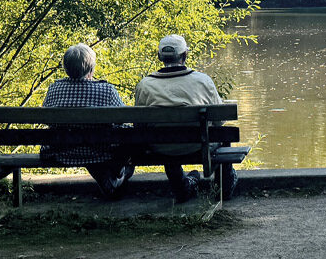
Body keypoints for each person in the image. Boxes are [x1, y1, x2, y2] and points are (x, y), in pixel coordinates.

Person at [134, 34, 237, 202]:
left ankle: (181, 187)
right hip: (198, 145)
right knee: (223, 134)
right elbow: (220, 121)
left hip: (161, 147)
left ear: (160, 57)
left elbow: (139, 126)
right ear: (185, 56)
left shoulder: (145, 85)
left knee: (166, 134)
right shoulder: (202, 81)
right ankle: (223, 188)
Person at [40, 43, 133, 199]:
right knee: (127, 140)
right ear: (92, 69)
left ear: (66, 68)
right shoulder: (106, 90)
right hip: (100, 152)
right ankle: (116, 178)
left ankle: (111, 181)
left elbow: (48, 120)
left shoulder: (54, 89)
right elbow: (123, 120)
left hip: (61, 151)